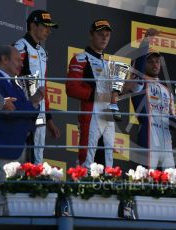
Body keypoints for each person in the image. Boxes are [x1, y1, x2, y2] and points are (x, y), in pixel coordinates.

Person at [123, 28, 176, 169]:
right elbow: (138, 70)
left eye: (157, 61)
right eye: (150, 61)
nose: (155, 64)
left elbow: (173, 120)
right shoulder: (139, 84)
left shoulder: (167, 90)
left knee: (171, 180)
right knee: (146, 179)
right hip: (148, 136)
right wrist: (146, 41)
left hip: (166, 141)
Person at [0, 46, 44, 180]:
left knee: (15, 197)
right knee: (0, 195)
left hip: (20, 150)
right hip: (2, 150)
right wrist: (32, 103)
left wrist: (34, 102)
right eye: (17, 60)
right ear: (4, 59)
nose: (21, 64)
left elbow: (26, 111)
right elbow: (10, 110)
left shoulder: (16, 85)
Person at [13, 9, 60, 164]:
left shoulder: (42, 52)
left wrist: (49, 118)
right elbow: (14, 79)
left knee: (38, 152)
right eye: (45, 26)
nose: (48, 31)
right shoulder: (20, 47)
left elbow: (42, 85)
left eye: (50, 27)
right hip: (24, 110)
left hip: (40, 113)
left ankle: (36, 184)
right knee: (23, 152)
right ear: (33, 25)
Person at [66, 19, 115, 169]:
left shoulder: (109, 64)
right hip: (90, 115)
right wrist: (99, 96)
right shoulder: (80, 59)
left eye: (107, 35)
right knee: (87, 160)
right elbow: (71, 88)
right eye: (100, 34)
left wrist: (127, 87)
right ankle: (82, 191)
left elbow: (113, 94)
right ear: (91, 35)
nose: (104, 38)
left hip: (108, 117)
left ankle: (105, 190)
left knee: (107, 162)